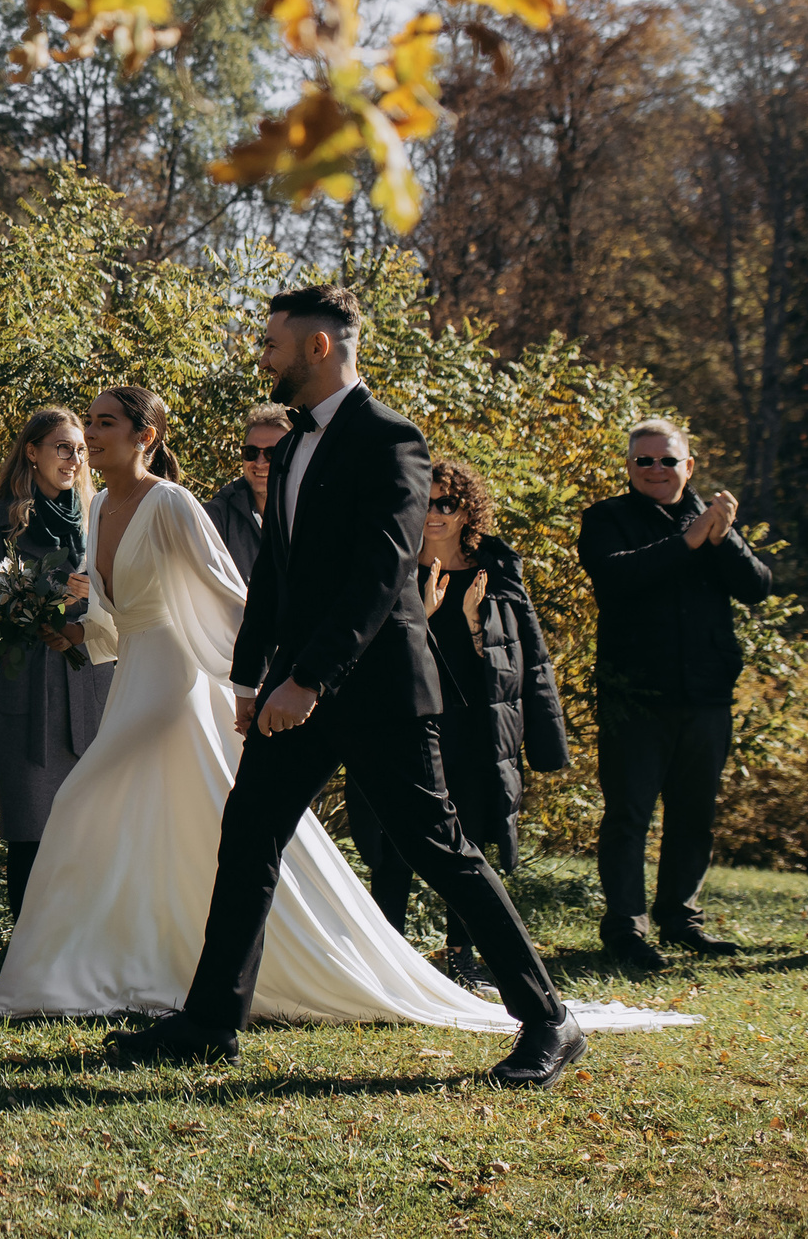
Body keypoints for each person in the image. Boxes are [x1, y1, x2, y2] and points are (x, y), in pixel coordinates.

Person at [91, 290, 680, 1085]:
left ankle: (549, 1017)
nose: (262, 354)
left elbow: (380, 576)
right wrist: (246, 675)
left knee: (440, 850)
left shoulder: (391, 439)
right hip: (290, 693)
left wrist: (307, 678)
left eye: (273, 342)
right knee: (248, 837)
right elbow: (278, 572)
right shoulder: (294, 443)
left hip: (376, 695)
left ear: (320, 348)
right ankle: (208, 1023)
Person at [349, 457, 570, 983]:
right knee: (395, 843)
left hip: (472, 728)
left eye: (447, 503)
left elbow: (524, 662)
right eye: (425, 502)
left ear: (468, 509)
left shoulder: (496, 569)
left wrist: (476, 626)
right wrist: (419, 617)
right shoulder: (394, 565)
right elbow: (366, 650)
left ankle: (461, 956)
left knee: (464, 840)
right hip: (405, 719)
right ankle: (391, 955)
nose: (434, 515)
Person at [578, 417, 773, 970]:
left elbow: (757, 588)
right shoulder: (607, 518)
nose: (657, 470)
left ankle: (680, 919)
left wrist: (725, 538)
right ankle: (625, 928)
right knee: (629, 815)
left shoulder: (710, 521)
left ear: (690, 466)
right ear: (630, 467)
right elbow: (617, 577)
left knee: (694, 815)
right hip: (635, 695)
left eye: (668, 460)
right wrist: (689, 540)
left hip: (707, 694)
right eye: (645, 461)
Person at [0, 405, 113, 920]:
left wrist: (90, 598)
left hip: (93, 691)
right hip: (28, 693)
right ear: (32, 452)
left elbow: (127, 600)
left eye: (79, 449)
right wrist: (39, 603)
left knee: (92, 835)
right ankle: (26, 961)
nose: (73, 458)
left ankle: (82, 957)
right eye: (61, 448)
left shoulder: (100, 516)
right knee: (30, 834)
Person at [203, 403, 292, 585]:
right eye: (251, 452)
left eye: (272, 453)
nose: (259, 462)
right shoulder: (218, 515)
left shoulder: (314, 509)